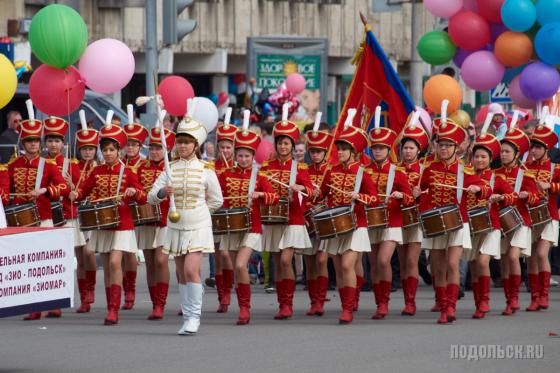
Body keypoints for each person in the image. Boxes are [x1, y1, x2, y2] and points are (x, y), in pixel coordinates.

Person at [148, 110, 223, 335]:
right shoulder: (170, 168)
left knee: (191, 269)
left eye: (187, 143)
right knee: (181, 272)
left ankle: (194, 318)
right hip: (175, 225)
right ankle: (187, 315)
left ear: (195, 145)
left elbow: (217, 200)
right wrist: (163, 191)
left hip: (198, 225)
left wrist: (201, 212)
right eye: (180, 143)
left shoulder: (206, 170)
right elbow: (151, 195)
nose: (182, 147)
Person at [70, 115, 146, 325]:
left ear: (119, 151)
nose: (108, 153)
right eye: (105, 150)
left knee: (114, 262)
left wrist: (134, 192)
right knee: (106, 265)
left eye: (112, 149)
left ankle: (114, 308)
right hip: (102, 224)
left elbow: (142, 197)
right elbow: (83, 191)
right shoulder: (96, 171)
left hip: (122, 224)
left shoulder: (128, 172)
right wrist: (74, 195)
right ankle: (111, 308)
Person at [413, 120, 489, 324]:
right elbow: (422, 194)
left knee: (452, 263)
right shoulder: (429, 168)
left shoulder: (466, 170)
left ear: (456, 147)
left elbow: (486, 188)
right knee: (437, 268)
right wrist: (418, 195)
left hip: (457, 222)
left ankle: (451, 307)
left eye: (448, 145)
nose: (444, 148)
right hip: (435, 223)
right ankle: (443, 304)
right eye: (441, 144)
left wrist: (478, 190)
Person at [9, 101, 69, 321]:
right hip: (21, 220)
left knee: (46, 264)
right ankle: (33, 306)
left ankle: (54, 304)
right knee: (27, 263)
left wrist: (45, 190)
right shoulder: (13, 165)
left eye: (36, 141)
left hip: (44, 219)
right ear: (23, 143)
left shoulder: (49, 165)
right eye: (29, 141)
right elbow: (7, 190)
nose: (33, 144)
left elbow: (64, 187)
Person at [218, 112, 278, 324]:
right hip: (231, 227)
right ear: (235, 155)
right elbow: (217, 199)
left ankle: (245, 308)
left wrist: (261, 195)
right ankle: (242, 305)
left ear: (253, 157)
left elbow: (274, 197)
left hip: (252, 227)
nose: (243, 159)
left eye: (247, 156)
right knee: (236, 268)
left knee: (241, 265)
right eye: (240, 155)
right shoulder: (225, 175)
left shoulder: (259, 176)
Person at [318, 111, 378, 324]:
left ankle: (348, 309)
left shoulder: (362, 173)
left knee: (346, 266)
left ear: (353, 152)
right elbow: (320, 195)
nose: (340, 152)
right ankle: (347, 303)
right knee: (338, 267)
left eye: (344, 149)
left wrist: (359, 196)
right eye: (339, 148)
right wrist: (307, 189)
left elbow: (374, 199)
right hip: (335, 225)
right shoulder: (331, 171)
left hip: (356, 224)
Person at [259, 106, 314, 320]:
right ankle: (282, 303)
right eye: (280, 143)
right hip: (273, 218)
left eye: (287, 143)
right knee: (276, 260)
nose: (283, 146)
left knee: (284, 261)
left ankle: (288, 303)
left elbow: (311, 191)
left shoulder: (300, 169)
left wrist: (300, 189)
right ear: (276, 144)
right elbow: (263, 188)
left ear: (292, 146)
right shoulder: (265, 167)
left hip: (294, 218)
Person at [366, 116, 414, 320]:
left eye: (381, 148)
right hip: (371, 221)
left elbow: (410, 198)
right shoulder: (365, 171)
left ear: (388, 150)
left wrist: (402, 196)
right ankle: (380, 303)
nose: (377, 151)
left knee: (384, 260)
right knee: (374, 264)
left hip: (392, 222)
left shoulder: (398, 172)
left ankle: (386, 302)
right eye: (374, 147)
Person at [465, 130, 516, 319]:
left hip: (491, 226)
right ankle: (478, 303)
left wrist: (500, 197)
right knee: (473, 264)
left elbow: (513, 196)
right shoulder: (465, 176)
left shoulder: (497, 178)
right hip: (470, 226)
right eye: (476, 156)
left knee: (482, 261)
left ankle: (485, 300)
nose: (479, 160)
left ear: (490, 158)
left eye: (483, 157)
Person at [494, 126, 539, 316]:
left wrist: (528, 194)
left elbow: (537, 198)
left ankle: (515, 298)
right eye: (502, 151)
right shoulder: (494, 173)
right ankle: (508, 299)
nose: (503, 155)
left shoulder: (526, 174)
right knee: (504, 261)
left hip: (521, 221)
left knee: (513, 257)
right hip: (501, 221)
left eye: (507, 152)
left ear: (516, 154)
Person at [43, 115, 84, 316]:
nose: (53, 144)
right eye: (50, 140)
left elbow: (79, 192)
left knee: (72, 257)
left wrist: (71, 186)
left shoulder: (71, 162)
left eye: (57, 140)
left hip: (67, 215)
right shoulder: (40, 163)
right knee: (50, 259)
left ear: (63, 143)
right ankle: (53, 301)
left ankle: (82, 297)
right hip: (44, 215)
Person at [135, 126, 176, 320]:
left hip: (166, 220)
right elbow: (136, 187)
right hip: (146, 219)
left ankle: (161, 302)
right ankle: (155, 304)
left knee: (161, 260)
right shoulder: (141, 168)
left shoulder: (172, 169)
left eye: (158, 148)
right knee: (150, 263)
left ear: (167, 149)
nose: (154, 151)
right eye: (151, 147)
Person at [525, 116, 560, 312]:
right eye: (533, 147)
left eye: (538, 147)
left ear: (546, 149)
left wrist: (551, 186)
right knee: (530, 257)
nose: (534, 150)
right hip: (530, 216)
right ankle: (534, 296)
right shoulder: (527, 168)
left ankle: (544, 294)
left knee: (540, 253)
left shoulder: (555, 167)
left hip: (549, 215)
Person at [396, 117, 430, 316]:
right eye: (405, 148)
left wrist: (421, 194)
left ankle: (411, 301)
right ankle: (406, 298)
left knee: (411, 261)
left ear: (419, 150)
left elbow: (431, 194)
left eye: (411, 148)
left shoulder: (424, 170)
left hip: (416, 220)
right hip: (398, 219)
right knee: (402, 262)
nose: (407, 151)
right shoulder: (395, 169)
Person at [302, 117, 333, 316]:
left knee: (322, 260)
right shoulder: (302, 170)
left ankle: (321, 300)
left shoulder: (332, 170)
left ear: (325, 152)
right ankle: (313, 300)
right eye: (312, 151)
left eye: (319, 152)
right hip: (307, 221)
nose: (315, 155)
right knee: (310, 262)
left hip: (326, 221)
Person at [72, 118, 100, 313]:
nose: (88, 152)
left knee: (89, 253)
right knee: (80, 257)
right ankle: (84, 297)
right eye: (84, 149)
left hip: (96, 214)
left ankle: (91, 288)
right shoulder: (73, 166)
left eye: (91, 149)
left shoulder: (100, 167)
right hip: (77, 214)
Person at [121, 115, 149, 310]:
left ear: (140, 146)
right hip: (122, 211)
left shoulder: (146, 164)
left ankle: (131, 289)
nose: (130, 148)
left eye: (134, 144)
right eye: (127, 144)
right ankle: (127, 291)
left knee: (132, 254)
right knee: (123, 254)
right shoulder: (118, 162)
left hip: (143, 211)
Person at [211, 116, 237, 313]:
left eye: (229, 147)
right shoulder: (210, 167)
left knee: (227, 254)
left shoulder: (240, 166)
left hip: (234, 216)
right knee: (219, 255)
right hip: (216, 215)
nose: (225, 151)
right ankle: (222, 295)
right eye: (222, 147)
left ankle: (228, 289)